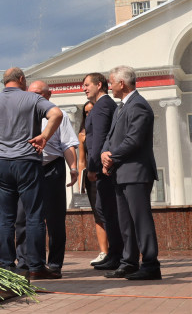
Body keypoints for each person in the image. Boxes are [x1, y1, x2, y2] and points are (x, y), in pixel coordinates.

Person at [0, 67, 63, 280]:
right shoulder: (31, 99)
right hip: (27, 162)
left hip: (1, 164)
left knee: (5, 217)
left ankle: (7, 267)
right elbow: (57, 113)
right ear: (21, 79)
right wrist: (44, 136)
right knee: (34, 215)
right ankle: (35, 266)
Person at [101, 66, 161, 280]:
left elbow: (133, 141)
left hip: (136, 173)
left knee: (140, 220)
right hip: (121, 173)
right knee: (125, 222)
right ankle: (129, 263)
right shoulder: (121, 107)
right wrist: (104, 154)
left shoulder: (139, 106)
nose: (109, 86)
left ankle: (151, 265)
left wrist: (111, 157)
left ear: (122, 83)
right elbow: (110, 136)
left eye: (111, 82)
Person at [25, 81, 79, 276]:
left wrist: (73, 168)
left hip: (52, 168)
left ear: (49, 95)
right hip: (29, 170)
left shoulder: (60, 115)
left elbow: (68, 144)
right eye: (31, 94)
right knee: (31, 218)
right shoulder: (23, 114)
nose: (34, 98)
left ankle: (55, 264)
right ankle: (34, 264)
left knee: (55, 219)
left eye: (38, 94)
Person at [82, 72, 123, 271]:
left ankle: (117, 255)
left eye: (87, 84)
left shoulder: (101, 107)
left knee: (106, 210)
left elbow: (97, 139)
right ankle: (114, 254)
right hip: (106, 167)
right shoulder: (106, 105)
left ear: (99, 85)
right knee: (105, 209)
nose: (84, 88)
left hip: (103, 168)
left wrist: (92, 168)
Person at [78, 99, 109, 265]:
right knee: (98, 215)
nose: (89, 115)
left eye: (92, 111)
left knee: (109, 213)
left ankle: (117, 250)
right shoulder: (82, 135)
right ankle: (104, 251)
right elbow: (81, 159)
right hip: (90, 178)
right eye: (86, 113)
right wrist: (80, 182)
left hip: (105, 174)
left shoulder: (104, 130)